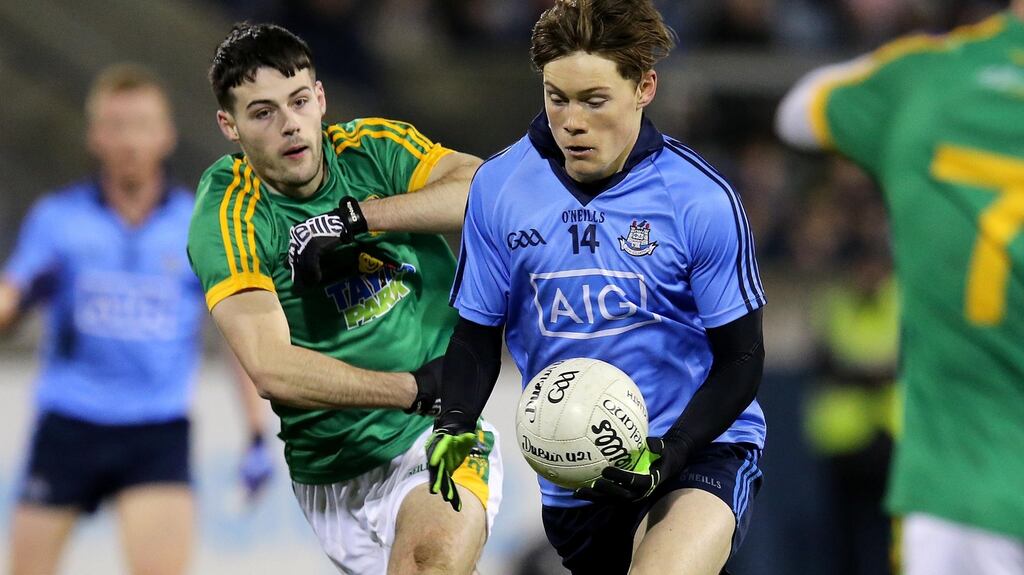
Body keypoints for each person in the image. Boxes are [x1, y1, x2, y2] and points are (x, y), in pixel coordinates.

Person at [425, 2, 766, 574]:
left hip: (698, 451)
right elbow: (475, 336)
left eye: (594, 100)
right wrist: (454, 423)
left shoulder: (698, 198)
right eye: (557, 98)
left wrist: (674, 450)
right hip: (573, 471)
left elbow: (743, 357)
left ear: (644, 88)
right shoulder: (500, 189)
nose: (572, 121)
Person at [187, 23, 503, 574]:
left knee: (433, 562)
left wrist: (356, 219)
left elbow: (483, 190)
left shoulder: (372, 149)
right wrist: (412, 389)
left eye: (300, 101)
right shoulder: (228, 215)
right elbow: (270, 368)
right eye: (262, 113)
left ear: (321, 99)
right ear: (229, 126)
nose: (290, 125)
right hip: (331, 472)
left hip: (440, 434)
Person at [776, 5, 1024, 573]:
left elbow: (798, 111)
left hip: (959, 492)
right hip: (870, 452)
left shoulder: (928, 78)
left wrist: (912, 61)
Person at [0, 64, 272, 575]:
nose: (129, 141)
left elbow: (237, 332)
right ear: (95, 137)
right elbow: (9, 298)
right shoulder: (58, 220)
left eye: (142, 125)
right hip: (69, 423)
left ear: (165, 135)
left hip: (155, 430)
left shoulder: (196, 227)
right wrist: (16, 305)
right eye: (117, 126)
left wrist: (256, 433)